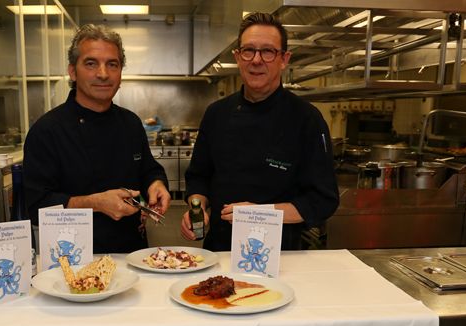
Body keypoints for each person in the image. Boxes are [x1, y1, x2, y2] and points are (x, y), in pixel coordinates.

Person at [181, 12, 339, 251]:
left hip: (281, 256)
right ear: (237, 57)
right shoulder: (216, 114)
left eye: (268, 51)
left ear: (284, 59)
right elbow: (199, 177)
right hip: (220, 251)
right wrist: (196, 208)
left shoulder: (307, 119)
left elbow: (323, 200)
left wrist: (258, 215)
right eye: (249, 50)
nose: (256, 60)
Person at [24, 24, 170, 254]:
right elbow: (36, 205)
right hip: (72, 260)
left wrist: (156, 184)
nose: (103, 73)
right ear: (72, 71)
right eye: (91, 63)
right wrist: (95, 203)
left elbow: (148, 169)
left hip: (132, 255)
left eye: (112, 64)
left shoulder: (130, 123)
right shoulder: (47, 130)